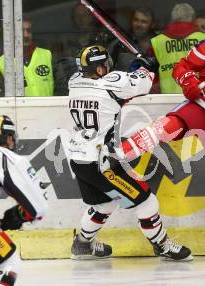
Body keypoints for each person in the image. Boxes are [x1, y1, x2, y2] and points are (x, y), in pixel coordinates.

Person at [109, 12, 205, 261]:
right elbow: (182, 67)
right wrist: (189, 82)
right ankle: (119, 155)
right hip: (201, 105)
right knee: (167, 127)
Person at [68, 45, 192, 261]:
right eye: (105, 64)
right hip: (101, 164)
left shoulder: (74, 81)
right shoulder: (112, 83)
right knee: (147, 202)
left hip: (78, 158)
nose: (109, 67)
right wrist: (147, 66)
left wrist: (137, 68)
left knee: (103, 203)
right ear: (99, 70)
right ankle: (162, 245)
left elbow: (121, 84)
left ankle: (82, 245)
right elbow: (142, 82)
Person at [0, 115, 48, 285]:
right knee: (10, 264)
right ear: (8, 138)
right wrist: (21, 215)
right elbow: (39, 208)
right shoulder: (5, 157)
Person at [149, 3, 205, 93]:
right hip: (196, 95)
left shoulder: (157, 41)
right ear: (193, 19)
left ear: (172, 19)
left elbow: (151, 73)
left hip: (165, 98)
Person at [0, 19, 54, 97]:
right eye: (21, 31)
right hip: (21, 109)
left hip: (50, 108)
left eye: (29, 31)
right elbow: (0, 98)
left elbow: (61, 87)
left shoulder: (47, 55)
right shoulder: (1, 63)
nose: (26, 35)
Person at [109, 7, 157, 71]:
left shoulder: (159, 44)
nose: (139, 24)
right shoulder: (120, 43)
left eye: (144, 22)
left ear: (152, 24)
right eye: (136, 20)